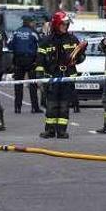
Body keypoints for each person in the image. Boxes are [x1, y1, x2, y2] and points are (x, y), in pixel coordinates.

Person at [36, 11, 86, 139]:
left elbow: (79, 59)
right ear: (56, 24)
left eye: (66, 24)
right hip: (52, 76)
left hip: (68, 76)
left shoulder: (72, 39)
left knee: (64, 105)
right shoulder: (46, 41)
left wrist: (80, 55)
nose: (65, 26)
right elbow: (40, 60)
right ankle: (50, 130)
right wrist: (40, 77)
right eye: (63, 24)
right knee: (51, 105)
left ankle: (62, 131)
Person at [8, 15, 42, 114]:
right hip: (31, 61)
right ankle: (34, 108)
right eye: (33, 22)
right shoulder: (33, 33)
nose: (34, 23)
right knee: (33, 85)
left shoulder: (15, 32)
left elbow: (9, 45)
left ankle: (17, 107)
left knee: (18, 85)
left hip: (18, 60)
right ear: (30, 22)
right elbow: (40, 46)